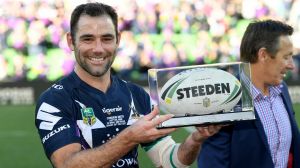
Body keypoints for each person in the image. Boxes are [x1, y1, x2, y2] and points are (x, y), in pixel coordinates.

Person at [35, 2, 221, 168]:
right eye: (88, 39)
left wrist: (196, 139)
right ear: (71, 41)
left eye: (107, 38)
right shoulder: (54, 100)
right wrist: (129, 137)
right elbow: (67, 164)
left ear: (118, 39)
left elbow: (168, 160)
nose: (98, 48)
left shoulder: (136, 94)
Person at [197, 20, 300, 168]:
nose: (292, 65)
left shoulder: (282, 89)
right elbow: (213, 163)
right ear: (263, 55)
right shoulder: (223, 101)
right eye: (286, 57)